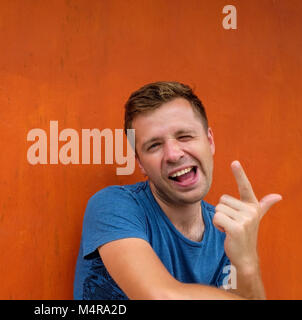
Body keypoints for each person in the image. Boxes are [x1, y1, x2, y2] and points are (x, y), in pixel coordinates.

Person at [73, 81, 282, 300]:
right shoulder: (113, 205)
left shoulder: (227, 231)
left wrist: (246, 260)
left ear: (209, 141)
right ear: (141, 163)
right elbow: (160, 297)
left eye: (184, 136)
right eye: (154, 145)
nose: (173, 154)